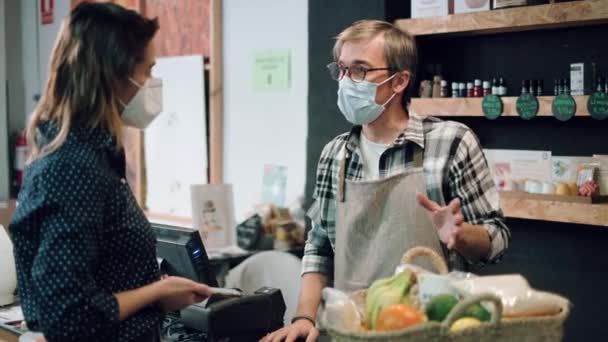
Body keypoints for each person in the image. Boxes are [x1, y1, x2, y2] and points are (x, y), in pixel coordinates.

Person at [262, 20, 511, 342]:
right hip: (352, 329)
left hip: (432, 328)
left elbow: (497, 238)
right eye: (342, 69)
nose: (346, 81)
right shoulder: (335, 154)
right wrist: (304, 317)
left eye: (360, 70)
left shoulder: (451, 142)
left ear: (399, 81)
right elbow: (319, 245)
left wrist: (461, 236)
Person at [9, 3, 211, 341]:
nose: (151, 83)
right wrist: (157, 293)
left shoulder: (95, 157)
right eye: (146, 71)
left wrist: (158, 297)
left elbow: (103, 282)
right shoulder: (72, 169)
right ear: (113, 75)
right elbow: (69, 314)